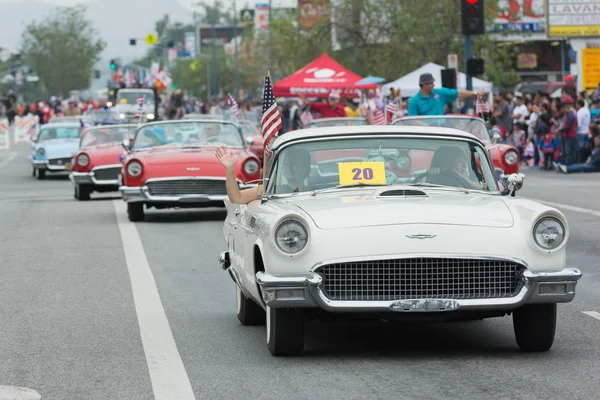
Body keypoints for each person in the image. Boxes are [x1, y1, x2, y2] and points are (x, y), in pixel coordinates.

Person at [215, 146, 312, 204]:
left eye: (294, 164)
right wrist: (230, 169)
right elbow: (237, 198)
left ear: (306, 168)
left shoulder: (317, 190)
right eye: (286, 163)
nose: (289, 168)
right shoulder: (270, 189)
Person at [407, 73, 481, 116]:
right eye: (431, 83)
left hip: (441, 130)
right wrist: (427, 126)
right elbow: (413, 119)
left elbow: (458, 92)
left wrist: (475, 93)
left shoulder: (439, 93)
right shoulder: (414, 101)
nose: (433, 85)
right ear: (423, 85)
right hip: (424, 133)